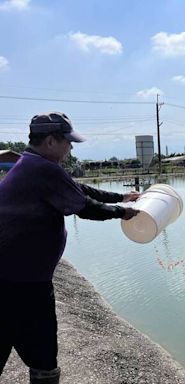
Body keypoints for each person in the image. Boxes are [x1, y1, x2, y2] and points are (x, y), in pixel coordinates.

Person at [0, 112, 140, 384]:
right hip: (23, 284)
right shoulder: (43, 169)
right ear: (51, 141)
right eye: (67, 142)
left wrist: (123, 196)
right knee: (43, 358)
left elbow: (77, 189)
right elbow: (85, 207)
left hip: (11, 276)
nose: (70, 148)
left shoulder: (30, 164)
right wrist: (123, 213)